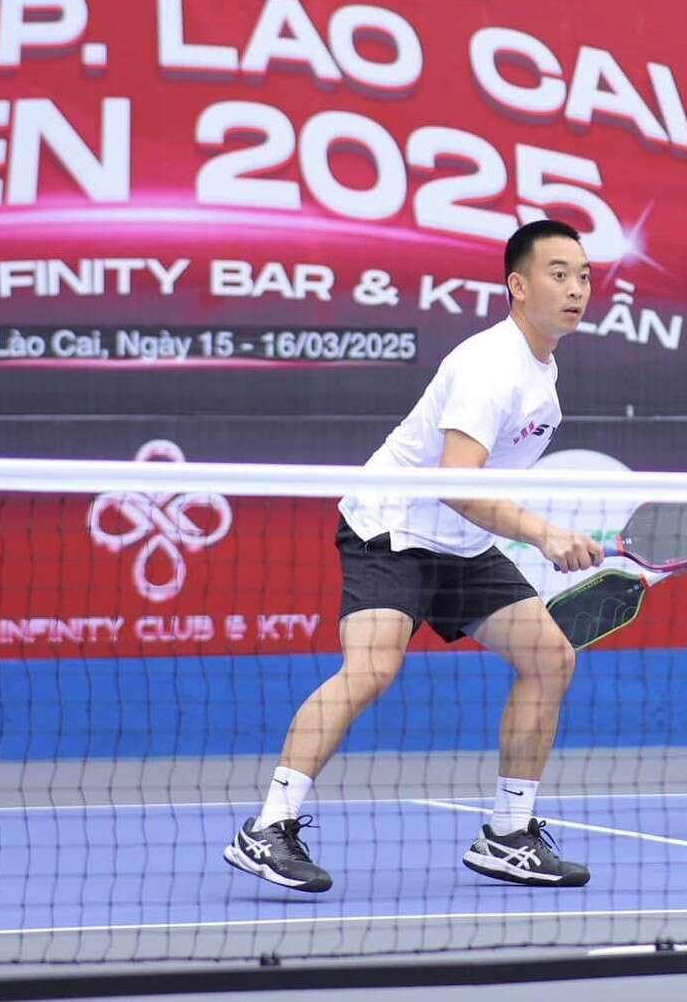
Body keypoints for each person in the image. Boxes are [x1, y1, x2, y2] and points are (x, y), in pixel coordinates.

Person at [223, 220, 602, 891]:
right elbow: (454, 481)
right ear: (517, 286)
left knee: (549, 659)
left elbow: (471, 495)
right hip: (392, 528)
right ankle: (266, 828)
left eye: (583, 275)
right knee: (371, 669)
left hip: (461, 544)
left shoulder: (543, 368)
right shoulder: (490, 367)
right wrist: (544, 534)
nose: (576, 288)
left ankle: (508, 834)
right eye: (558, 273)